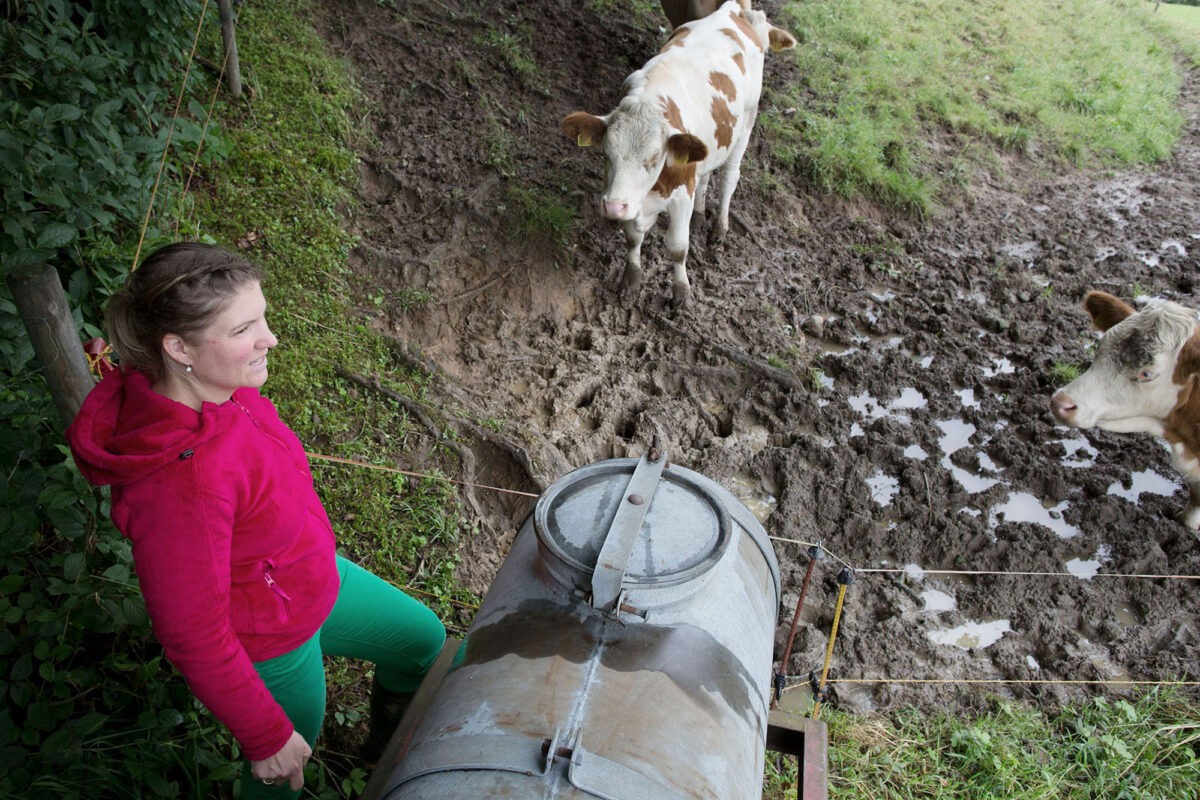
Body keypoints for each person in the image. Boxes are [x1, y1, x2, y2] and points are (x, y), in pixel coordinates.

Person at [66, 242, 446, 798]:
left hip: (311, 576)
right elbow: (193, 632)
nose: (270, 338)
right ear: (178, 348)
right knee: (285, 774)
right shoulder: (181, 485)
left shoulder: (220, 388)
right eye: (246, 328)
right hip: (273, 637)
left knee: (422, 641)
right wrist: (265, 734)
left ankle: (383, 751)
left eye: (262, 317)